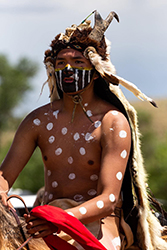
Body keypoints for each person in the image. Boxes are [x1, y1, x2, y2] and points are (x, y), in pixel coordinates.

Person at [0, 10, 166, 250]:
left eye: (78, 62)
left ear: (96, 71)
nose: (68, 69)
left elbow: (108, 200)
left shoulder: (113, 122)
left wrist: (61, 220)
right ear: (53, 70)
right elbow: (4, 176)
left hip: (98, 222)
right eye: (61, 63)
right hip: (45, 218)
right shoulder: (37, 121)